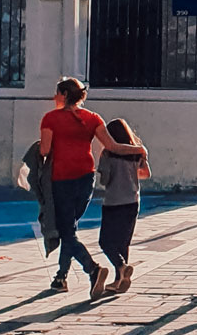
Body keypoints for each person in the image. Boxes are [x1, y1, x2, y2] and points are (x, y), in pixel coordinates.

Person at [39, 77, 146, 299]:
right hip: (86, 179)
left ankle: (93, 269)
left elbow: (44, 150)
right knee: (70, 228)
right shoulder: (92, 118)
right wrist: (138, 150)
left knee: (66, 230)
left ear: (65, 95)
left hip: (63, 179)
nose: (54, 97)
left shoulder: (50, 119)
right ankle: (61, 277)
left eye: (57, 93)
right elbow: (113, 146)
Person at [97, 118, 151, 294]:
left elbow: (104, 180)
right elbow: (145, 174)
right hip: (132, 201)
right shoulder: (136, 153)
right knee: (123, 243)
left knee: (105, 241)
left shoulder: (107, 154)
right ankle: (120, 280)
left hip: (113, 201)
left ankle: (121, 267)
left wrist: (103, 165)